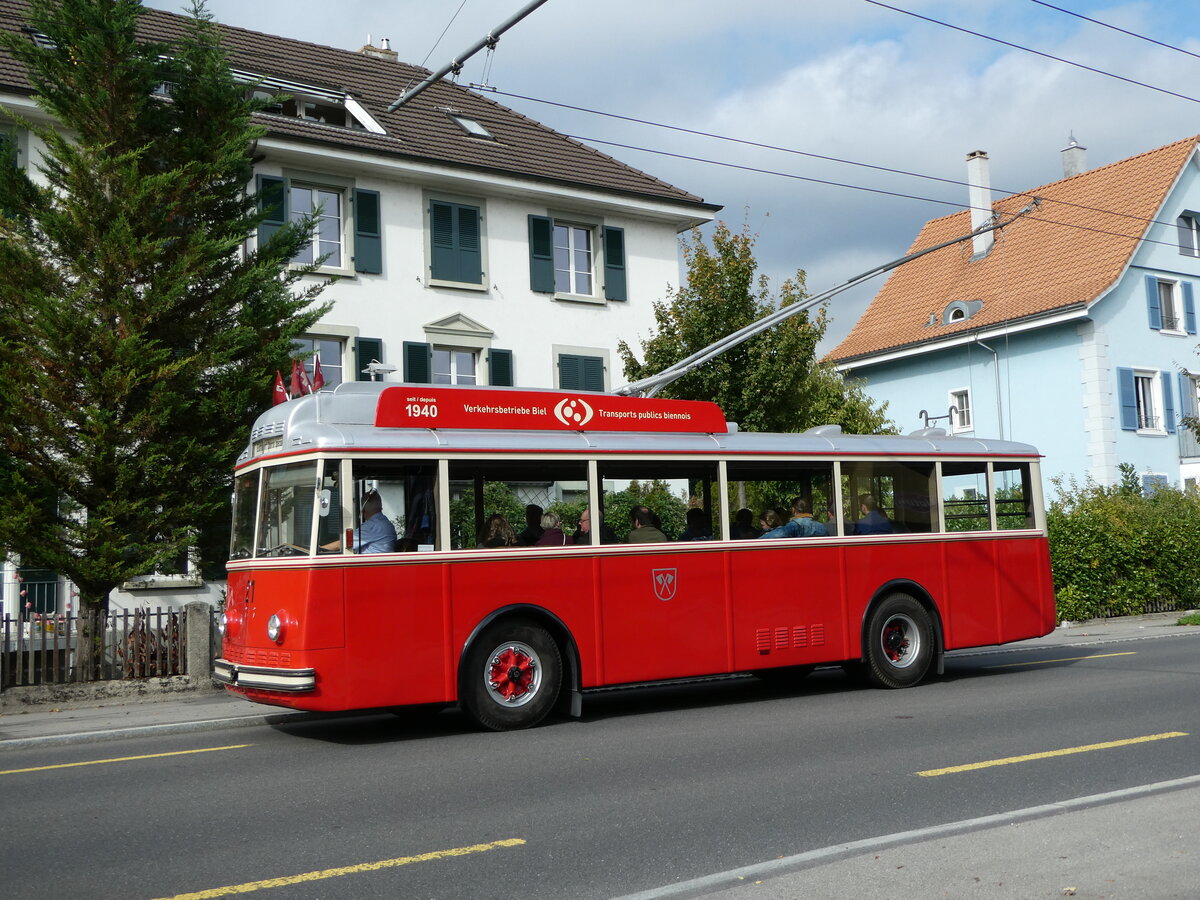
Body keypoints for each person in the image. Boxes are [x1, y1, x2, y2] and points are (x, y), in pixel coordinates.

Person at [322, 490, 396, 553]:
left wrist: (319, 549)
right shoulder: (385, 522)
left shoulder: (372, 526)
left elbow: (343, 543)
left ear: (363, 509)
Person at [759, 497, 828, 539]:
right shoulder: (821, 526)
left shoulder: (794, 525)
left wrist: (757, 540)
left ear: (793, 509)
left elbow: (777, 535)